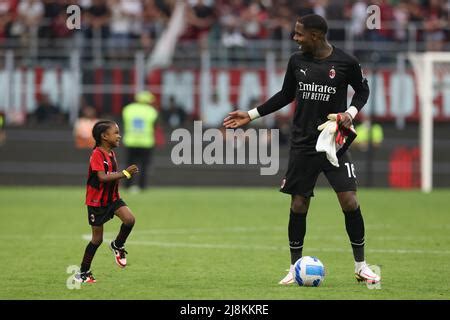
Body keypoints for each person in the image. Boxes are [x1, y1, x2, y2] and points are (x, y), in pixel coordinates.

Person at [223, 14, 380, 285]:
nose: (295, 38)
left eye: (299, 34)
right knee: (298, 204)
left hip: (334, 142)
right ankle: (294, 267)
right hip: (303, 143)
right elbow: (286, 95)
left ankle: (361, 266)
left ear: (316, 36)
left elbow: (363, 91)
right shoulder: (297, 61)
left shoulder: (346, 62)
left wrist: (350, 113)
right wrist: (251, 114)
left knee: (350, 201)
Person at [75, 120, 139, 283]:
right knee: (97, 239)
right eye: (116, 133)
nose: (119, 136)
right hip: (97, 202)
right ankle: (83, 272)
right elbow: (102, 177)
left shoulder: (111, 153)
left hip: (112, 198)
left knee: (130, 219)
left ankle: (117, 245)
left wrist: (122, 174)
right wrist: (124, 174)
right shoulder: (97, 153)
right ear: (104, 136)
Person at [122, 91, 159, 191]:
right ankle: (142, 186)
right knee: (144, 166)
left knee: (129, 165)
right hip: (146, 142)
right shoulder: (151, 111)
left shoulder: (128, 109)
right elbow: (154, 125)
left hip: (130, 141)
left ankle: (127, 185)